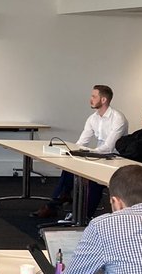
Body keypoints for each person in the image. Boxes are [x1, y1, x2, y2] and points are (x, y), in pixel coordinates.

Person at [32, 85, 127, 219]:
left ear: (104, 99)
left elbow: (108, 147)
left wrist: (87, 155)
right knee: (69, 168)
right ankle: (55, 203)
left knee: (92, 179)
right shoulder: (92, 118)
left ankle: (82, 216)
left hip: (115, 159)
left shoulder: (118, 118)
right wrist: (71, 153)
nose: (91, 99)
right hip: (98, 156)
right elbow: (82, 142)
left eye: (94, 96)